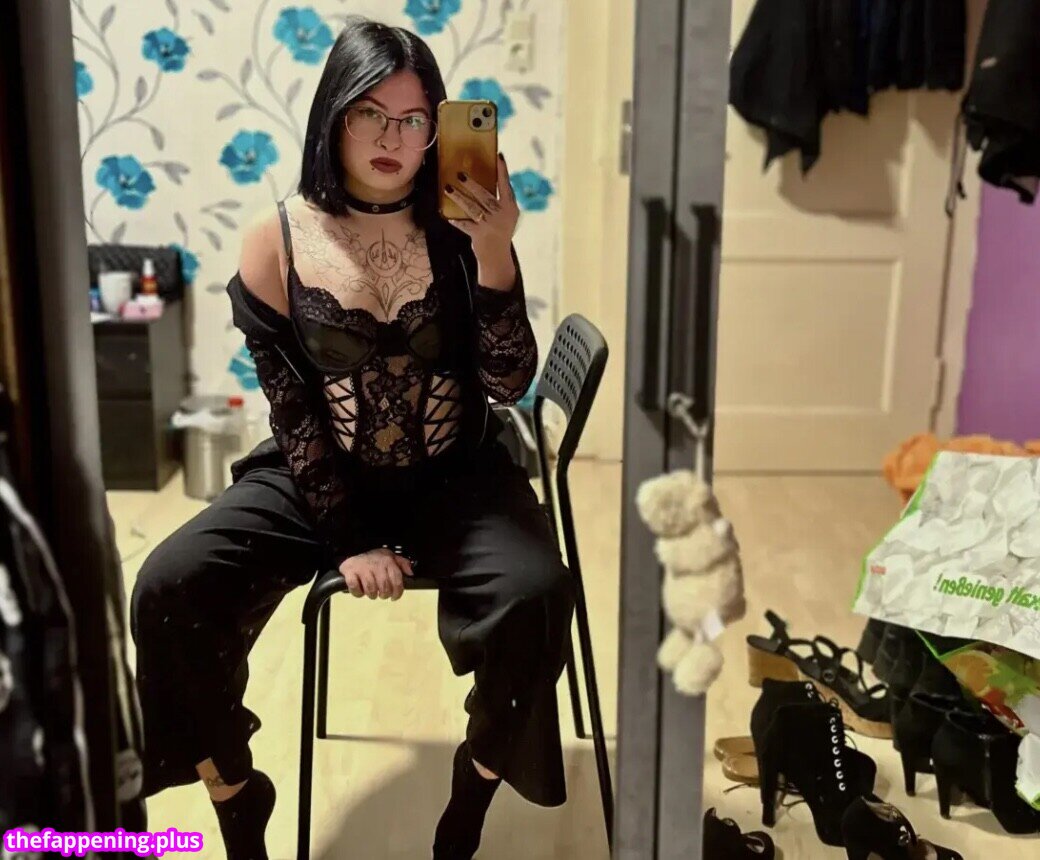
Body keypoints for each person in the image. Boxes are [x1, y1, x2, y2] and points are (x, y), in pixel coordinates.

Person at [129, 15, 574, 860]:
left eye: (414, 119)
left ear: (438, 128)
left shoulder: (462, 226)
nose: (391, 138)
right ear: (334, 116)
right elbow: (293, 414)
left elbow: (508, 381)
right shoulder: (276, 240)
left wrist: (496, 254)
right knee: (168, 585)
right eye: (371, 112)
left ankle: (471, 796)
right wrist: (350, 538)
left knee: (539, 592)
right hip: (319, 471)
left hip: (456, 471)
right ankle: (235, 793)